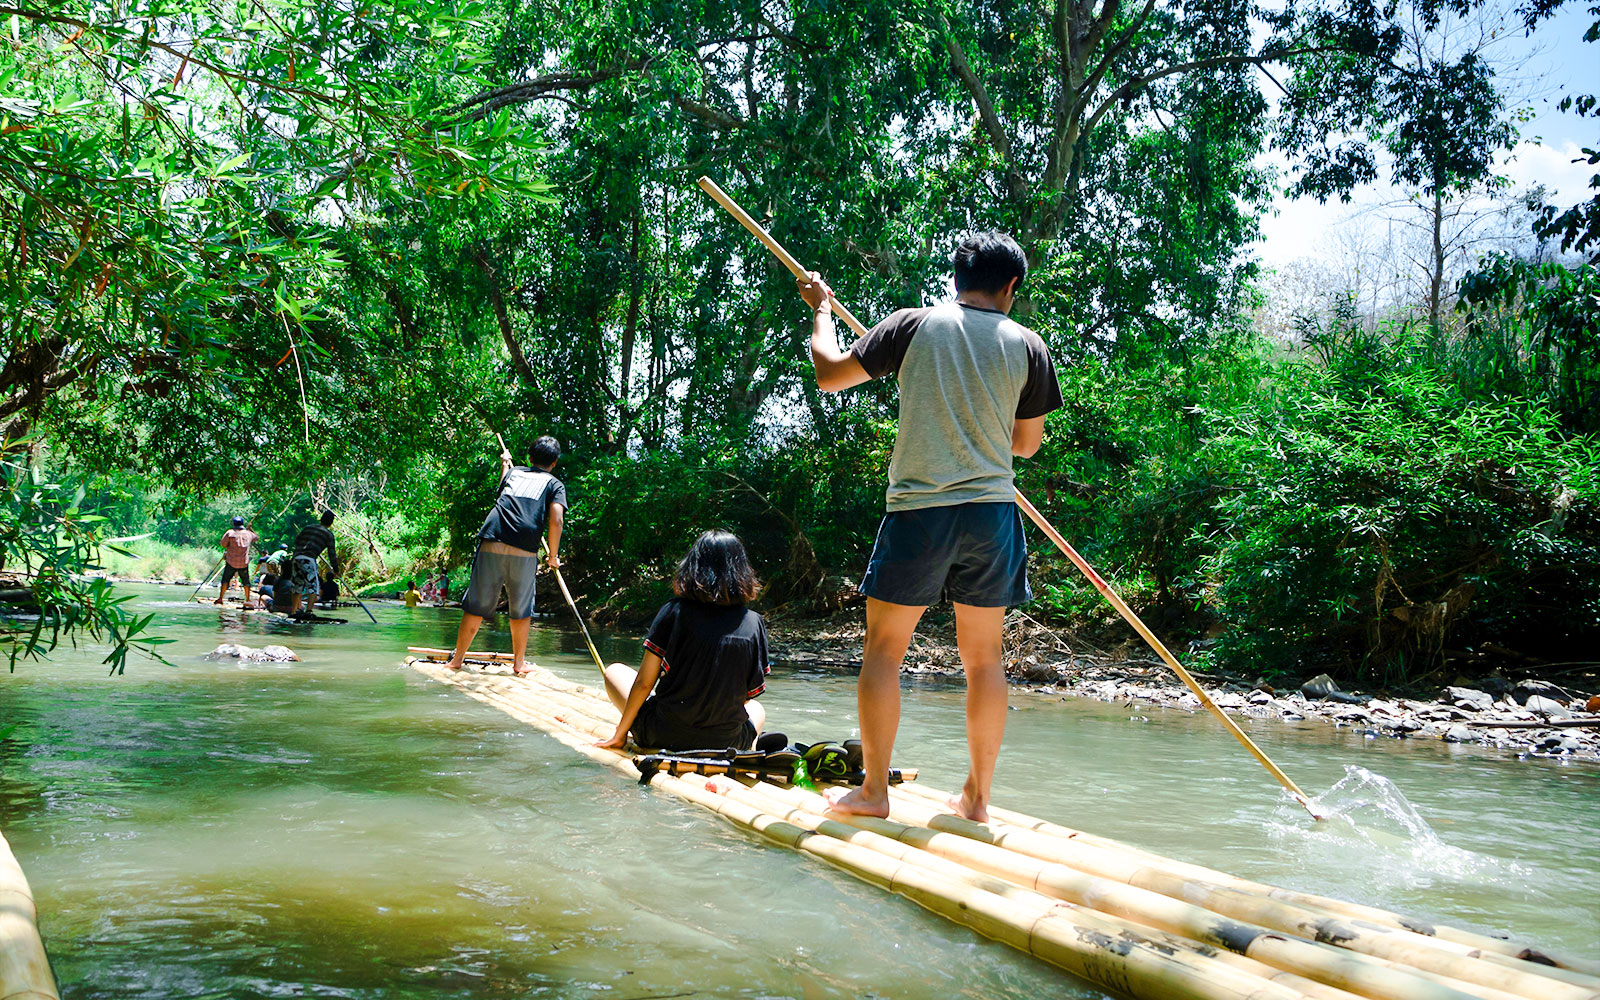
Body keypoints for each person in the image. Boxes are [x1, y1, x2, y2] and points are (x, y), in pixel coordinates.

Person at [798, 232, 1062, 822]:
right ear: (1011, 286)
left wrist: (821, 309)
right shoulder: (1029, 345)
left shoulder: (912, 324)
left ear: (956, 277)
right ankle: (977, 799)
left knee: (885, 653)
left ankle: (873, 794)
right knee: (986, 661)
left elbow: (830, 374)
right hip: (992, 514)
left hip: (919, 510)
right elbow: (1026, 445)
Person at [597, 531, 769, 751]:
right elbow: (747, 695)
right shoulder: (754, 623)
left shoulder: (674, 611)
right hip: (725, 743)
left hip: (661, 734)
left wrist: (619, 735)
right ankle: (748, 747)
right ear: (742, 573)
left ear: (694, 568)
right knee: (757, 708)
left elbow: (644, 683)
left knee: (614, 671)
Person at [442, 436, 567, 675]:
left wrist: (505, 466)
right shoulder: (555, 484)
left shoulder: (515, 473)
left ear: (530, 458)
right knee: (521, 607)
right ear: (554, 462)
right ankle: (519, 664)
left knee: (476, 604)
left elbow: (503, 496)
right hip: (524, 546)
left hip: (493, 537)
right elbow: (557, 520)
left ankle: (456, 660)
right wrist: (553, 555)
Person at [288, 510, 339, 618]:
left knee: (297, 585)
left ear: (321, 519)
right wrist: (336, 569)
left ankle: (293, 611)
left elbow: (297, 541)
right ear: (331, 523)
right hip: (309, 559)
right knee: (313, 587)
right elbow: (332, 554)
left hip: (296, 558)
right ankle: (309, 611)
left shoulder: (308, 528)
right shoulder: (329, 535)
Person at [216, 516, 259, 605]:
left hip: (231, 561)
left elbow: (223, 544)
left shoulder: (230, 533)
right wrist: (250, 529)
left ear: (234, 524)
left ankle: (220, 598)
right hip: (243, 562)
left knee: (225, 580)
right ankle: (247, 599)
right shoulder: (248, 534)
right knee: (246, 581)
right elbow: (256, 538)